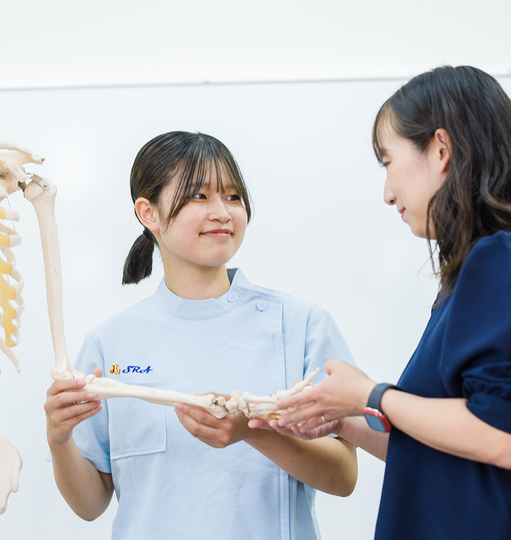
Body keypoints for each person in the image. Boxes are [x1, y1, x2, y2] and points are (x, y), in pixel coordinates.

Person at [265, 65, 511, 539]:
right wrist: (344, 421)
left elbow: (505, 436)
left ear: (440, 150)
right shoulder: (476, 274)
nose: (388, 193)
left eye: (388, 162)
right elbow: (448, 444)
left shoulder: (508, 258)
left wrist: (370, 395)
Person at [44, 131, 358, 540]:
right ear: (149, 213)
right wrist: (59, 438)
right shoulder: (110, 345)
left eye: (232, 197)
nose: (222, 213)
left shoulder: (301, 325)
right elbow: (90, 505)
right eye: (199, 197)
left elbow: (345, 476)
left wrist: (250, 432)